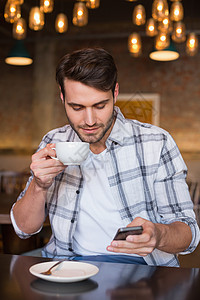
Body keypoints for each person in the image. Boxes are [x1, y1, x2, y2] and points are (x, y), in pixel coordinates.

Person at [10, 48, 200, 267]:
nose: (89, 120)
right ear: (62, 97)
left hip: (141, 269)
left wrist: (158, 234)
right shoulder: (54, 142)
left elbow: (189, 232)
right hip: (66, 266)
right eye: (77, 107)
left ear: (115, 93)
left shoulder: (156, 143)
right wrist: (39, 185)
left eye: (100, 105)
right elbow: (24, 229)